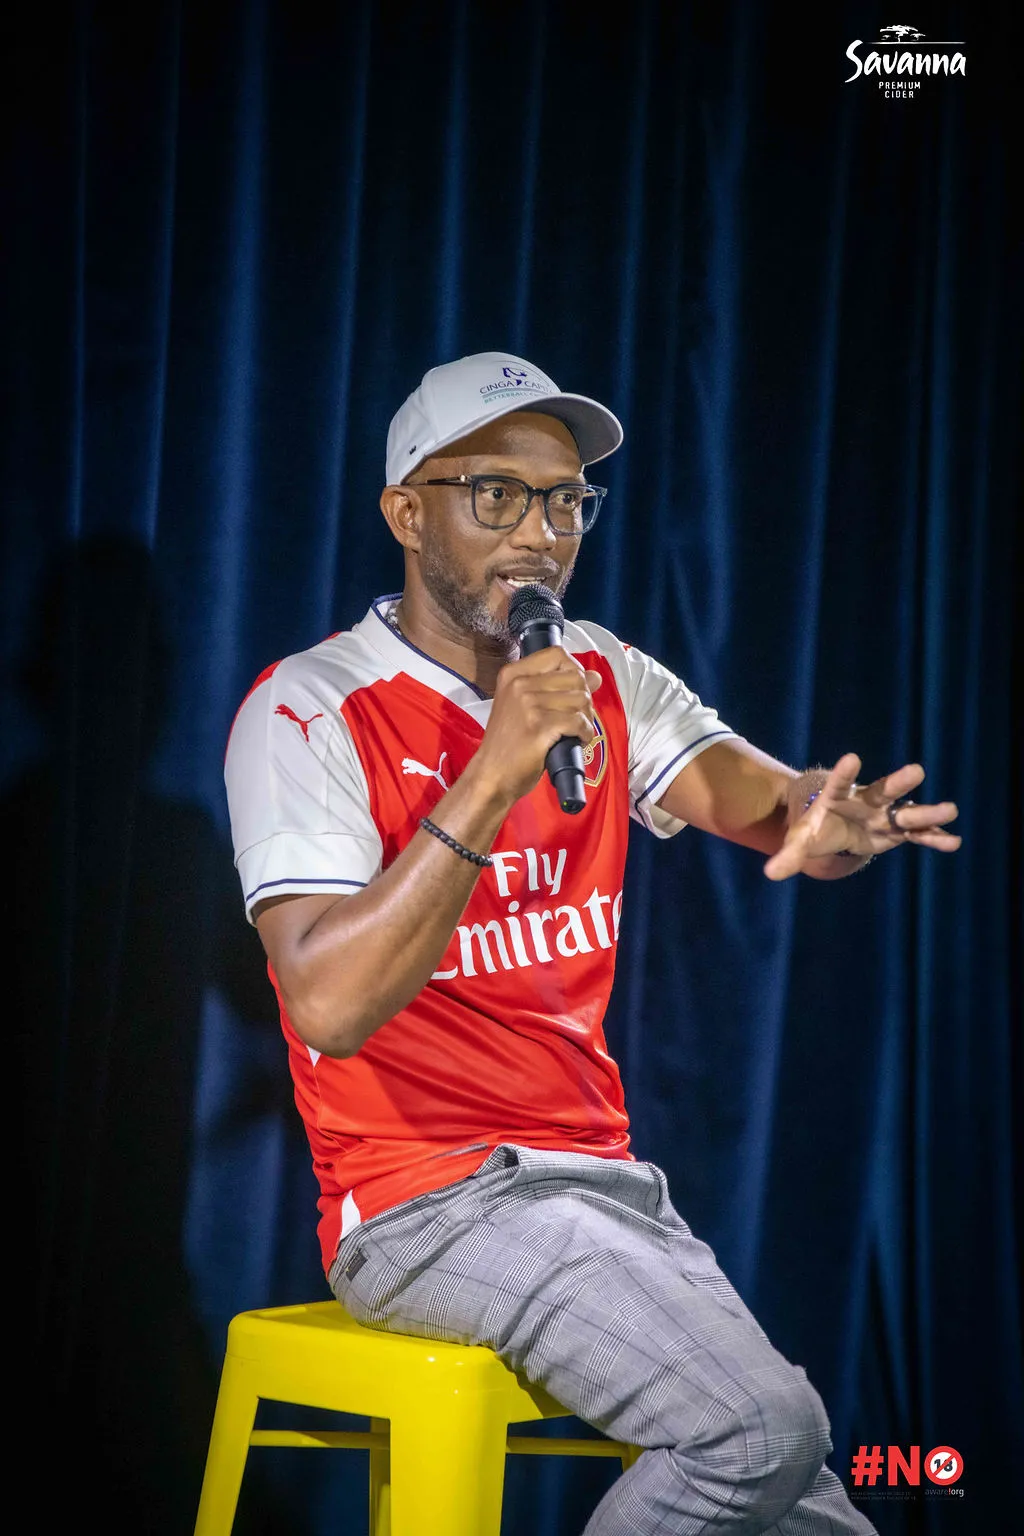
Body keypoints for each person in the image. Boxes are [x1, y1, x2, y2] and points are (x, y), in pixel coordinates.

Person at [224, 351, 960, 1534]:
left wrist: (833, 824)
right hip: (422, 1204)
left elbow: (776, 810)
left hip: (605, 1189)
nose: (540, 535)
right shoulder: (308, 707)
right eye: (497, 495)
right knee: (757, 1432)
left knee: (812, 1507)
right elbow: (328, 1006)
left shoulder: (601, 673)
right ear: (406, 514)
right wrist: (491, 772)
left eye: (565, 501)